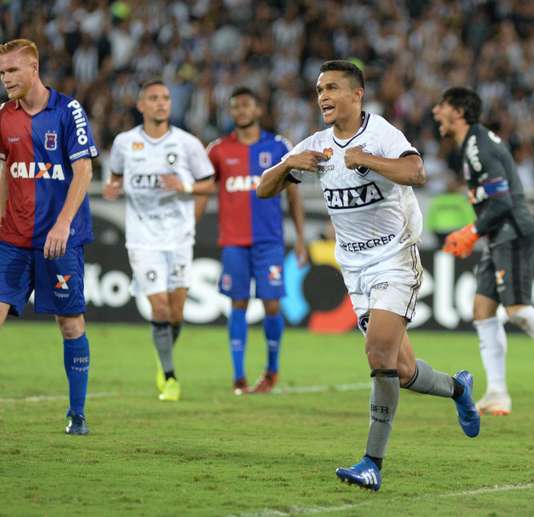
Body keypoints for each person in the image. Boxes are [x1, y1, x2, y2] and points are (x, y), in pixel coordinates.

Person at [257, 60, 480, 491]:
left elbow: (416, 172)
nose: (323, 96)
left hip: (395, 259)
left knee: (378, 356)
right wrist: (288, 167)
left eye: (333, 88)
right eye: (320, 89)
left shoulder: (380, 134)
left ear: (357, 95)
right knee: (403, 368)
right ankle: (458, 389)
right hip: (354, 269)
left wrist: (367, 160)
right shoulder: (317, 145)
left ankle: (371, 463)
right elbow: (263, 189)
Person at [432, 87, 534, 417]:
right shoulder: (474, 144)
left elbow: (503, 201)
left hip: (511, 231)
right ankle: (497, 393)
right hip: (499, 234)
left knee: (517, 310)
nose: (436, 112)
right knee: (483, 309)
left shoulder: (479, 147)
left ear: (458, 111)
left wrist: (471, 231)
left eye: (442, 105)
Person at [0, 39, 99, 434]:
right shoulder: (4, 116)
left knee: (70, 324)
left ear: (33, 69)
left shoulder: (67, 110)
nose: (5, 79)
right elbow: (4, 175)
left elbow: (84, 171)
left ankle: (77, 414)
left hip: (60, 239)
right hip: (13, 239)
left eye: (11, 71)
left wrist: (62, 224)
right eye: (2, 72)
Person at [103, 79, 214, 402]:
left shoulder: (187, 143)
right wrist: (112, 188)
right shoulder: (125, 143)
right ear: (141, 105)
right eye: (153, 98)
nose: (161, 103)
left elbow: (208, 184)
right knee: (161, 308)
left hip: (178, 237)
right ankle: (169, 375)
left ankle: (161, 351)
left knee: (177, 313)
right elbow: (116, 178)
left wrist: (186, 189)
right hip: (142, 238)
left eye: (165, 98)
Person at [207, 86, 307, 395]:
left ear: (258, 110)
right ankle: (239, 375)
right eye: (235, 106)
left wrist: (301, 239)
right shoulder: (218, 150)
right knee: (237, 302)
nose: (240, 111)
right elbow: (203, 189)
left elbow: (293, 196)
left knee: (272, 303)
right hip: (234, 241)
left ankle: (271, 371)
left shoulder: (279, 147)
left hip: (269, 241)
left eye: (246, 105)